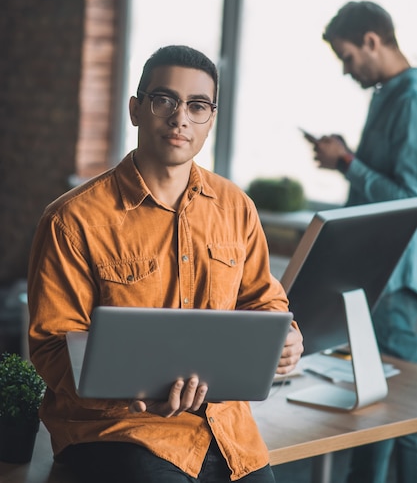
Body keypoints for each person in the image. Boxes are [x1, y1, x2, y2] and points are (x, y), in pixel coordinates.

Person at [27, 44, 304, 483]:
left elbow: (264, 301)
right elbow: (50, 347)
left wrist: (285, 338)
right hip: (118, 432)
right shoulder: (73, 219)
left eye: (197, 106)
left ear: (211, 119)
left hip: (228, 433)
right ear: (136, 109)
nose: (180, 118)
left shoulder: (236, 207)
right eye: (164, 100)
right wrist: (133, 394)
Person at [304, 1, 417, 483]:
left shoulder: (411, 99)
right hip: (377, 275)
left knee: (393, 410)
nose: (347, 71)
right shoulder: (385, 94)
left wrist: (348, 162)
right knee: (373, 398)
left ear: (373, 41)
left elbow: (410, 199)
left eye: (348, 58)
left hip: (398, 281)